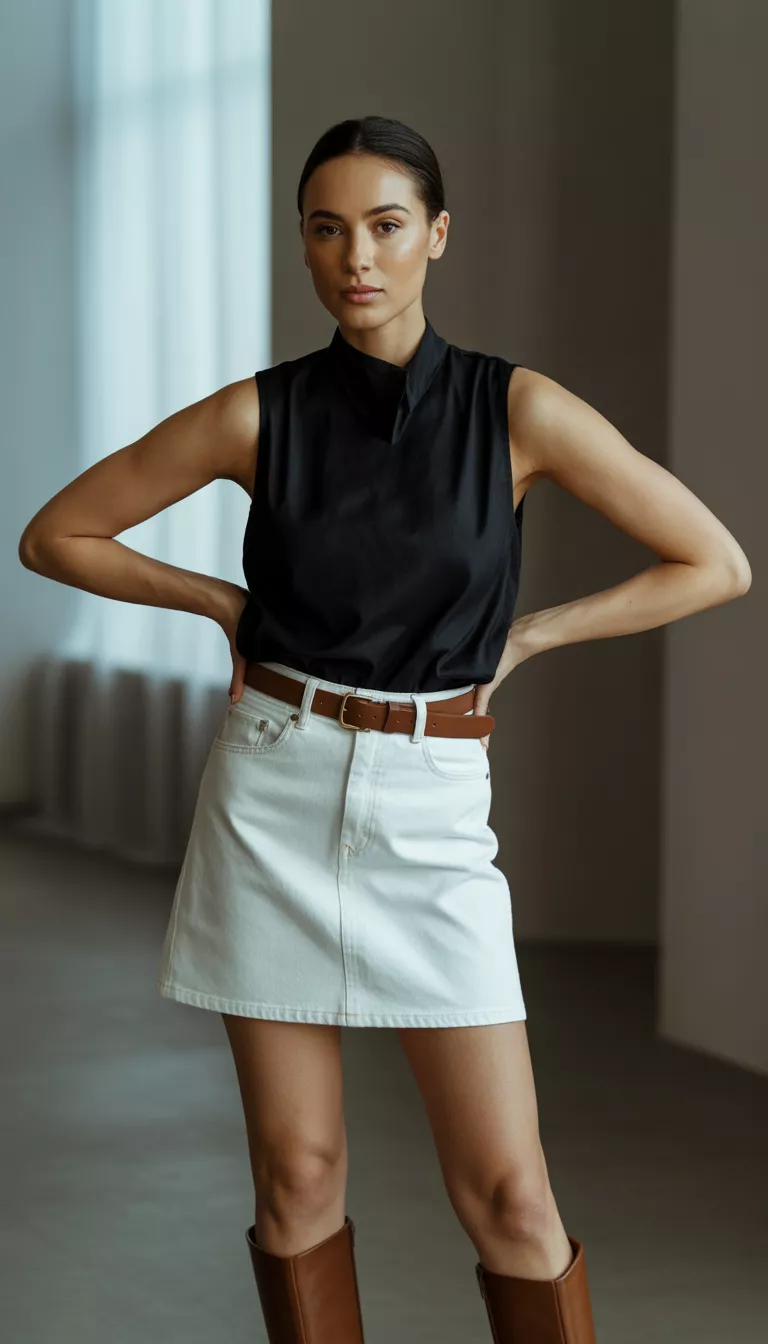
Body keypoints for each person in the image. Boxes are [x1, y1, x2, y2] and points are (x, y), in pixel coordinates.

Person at [18, 114, 751, 1344]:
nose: (357, 254)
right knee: (297, 1180)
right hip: (271, 793)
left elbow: (713, 561)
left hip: (432, 804)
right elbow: (57, 534)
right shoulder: (259, 415)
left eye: (386, 225)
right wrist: (219, 603)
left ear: (436, 238)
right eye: (328, 229)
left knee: (513, 1197)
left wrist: (530, 636)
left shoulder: (517, 409)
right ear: (304, 249)